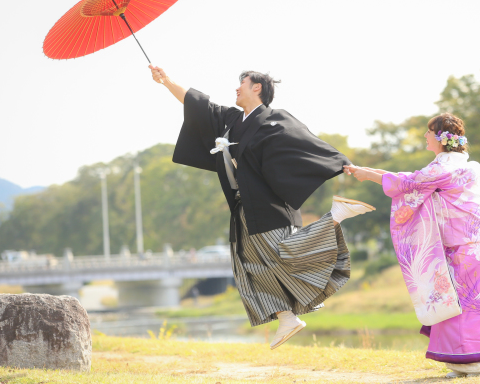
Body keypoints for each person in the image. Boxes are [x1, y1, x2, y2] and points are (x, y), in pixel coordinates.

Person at [149, 65, 374, 349]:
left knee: (286, 255)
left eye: (241, 82)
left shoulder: (275, 119)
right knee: (249, 265)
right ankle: (287, 318)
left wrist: (339, 162)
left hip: (270, 203)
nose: (236, 87)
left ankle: (335, 216)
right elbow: (198, 105)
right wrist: (167, 81)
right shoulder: (231, 120)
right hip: (243, 208)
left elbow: (306, 144)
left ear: (257, 87)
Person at [344, 113, 480, 377]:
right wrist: (370, 172)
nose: (425, 136)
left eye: (428, 132)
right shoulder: (466, 165)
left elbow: (409, 183)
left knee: (460, 299)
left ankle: (472, 361)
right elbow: (413, 178)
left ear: (441, 138)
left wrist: (368, 175)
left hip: (465, 241)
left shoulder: (441, 167)